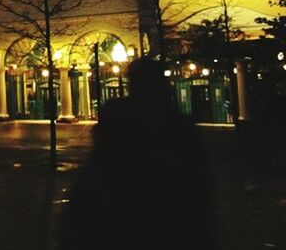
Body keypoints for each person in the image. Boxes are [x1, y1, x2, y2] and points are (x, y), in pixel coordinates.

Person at [61, 58, 213, 250]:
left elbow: (94, 177)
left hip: (121, 223)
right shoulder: (179, 126)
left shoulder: (118, 118)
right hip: (167, 225)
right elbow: (198, 188)